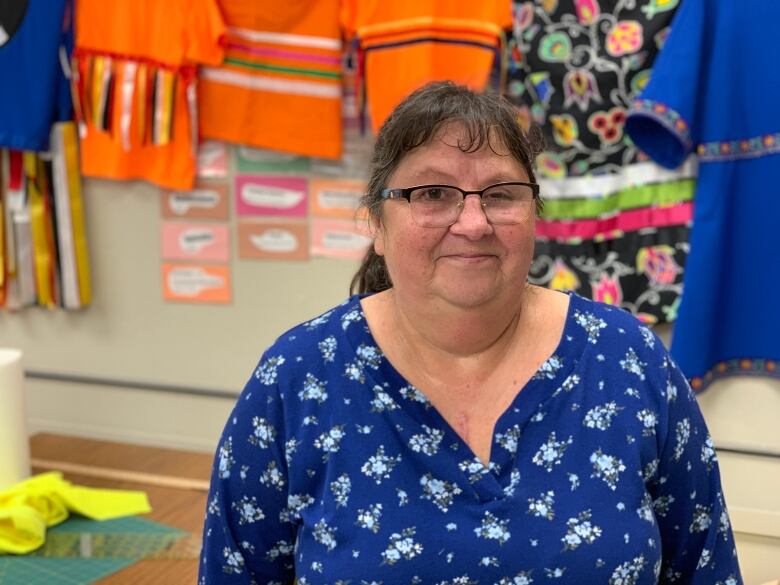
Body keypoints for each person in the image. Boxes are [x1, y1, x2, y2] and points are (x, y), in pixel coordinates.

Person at [198, 81, 743, 584]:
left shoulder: (628, 360)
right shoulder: (299, 377)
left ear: (534, 214)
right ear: (375, 223)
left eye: (501, 193)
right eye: (433, 193)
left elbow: (705, 568)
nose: (474, 222)